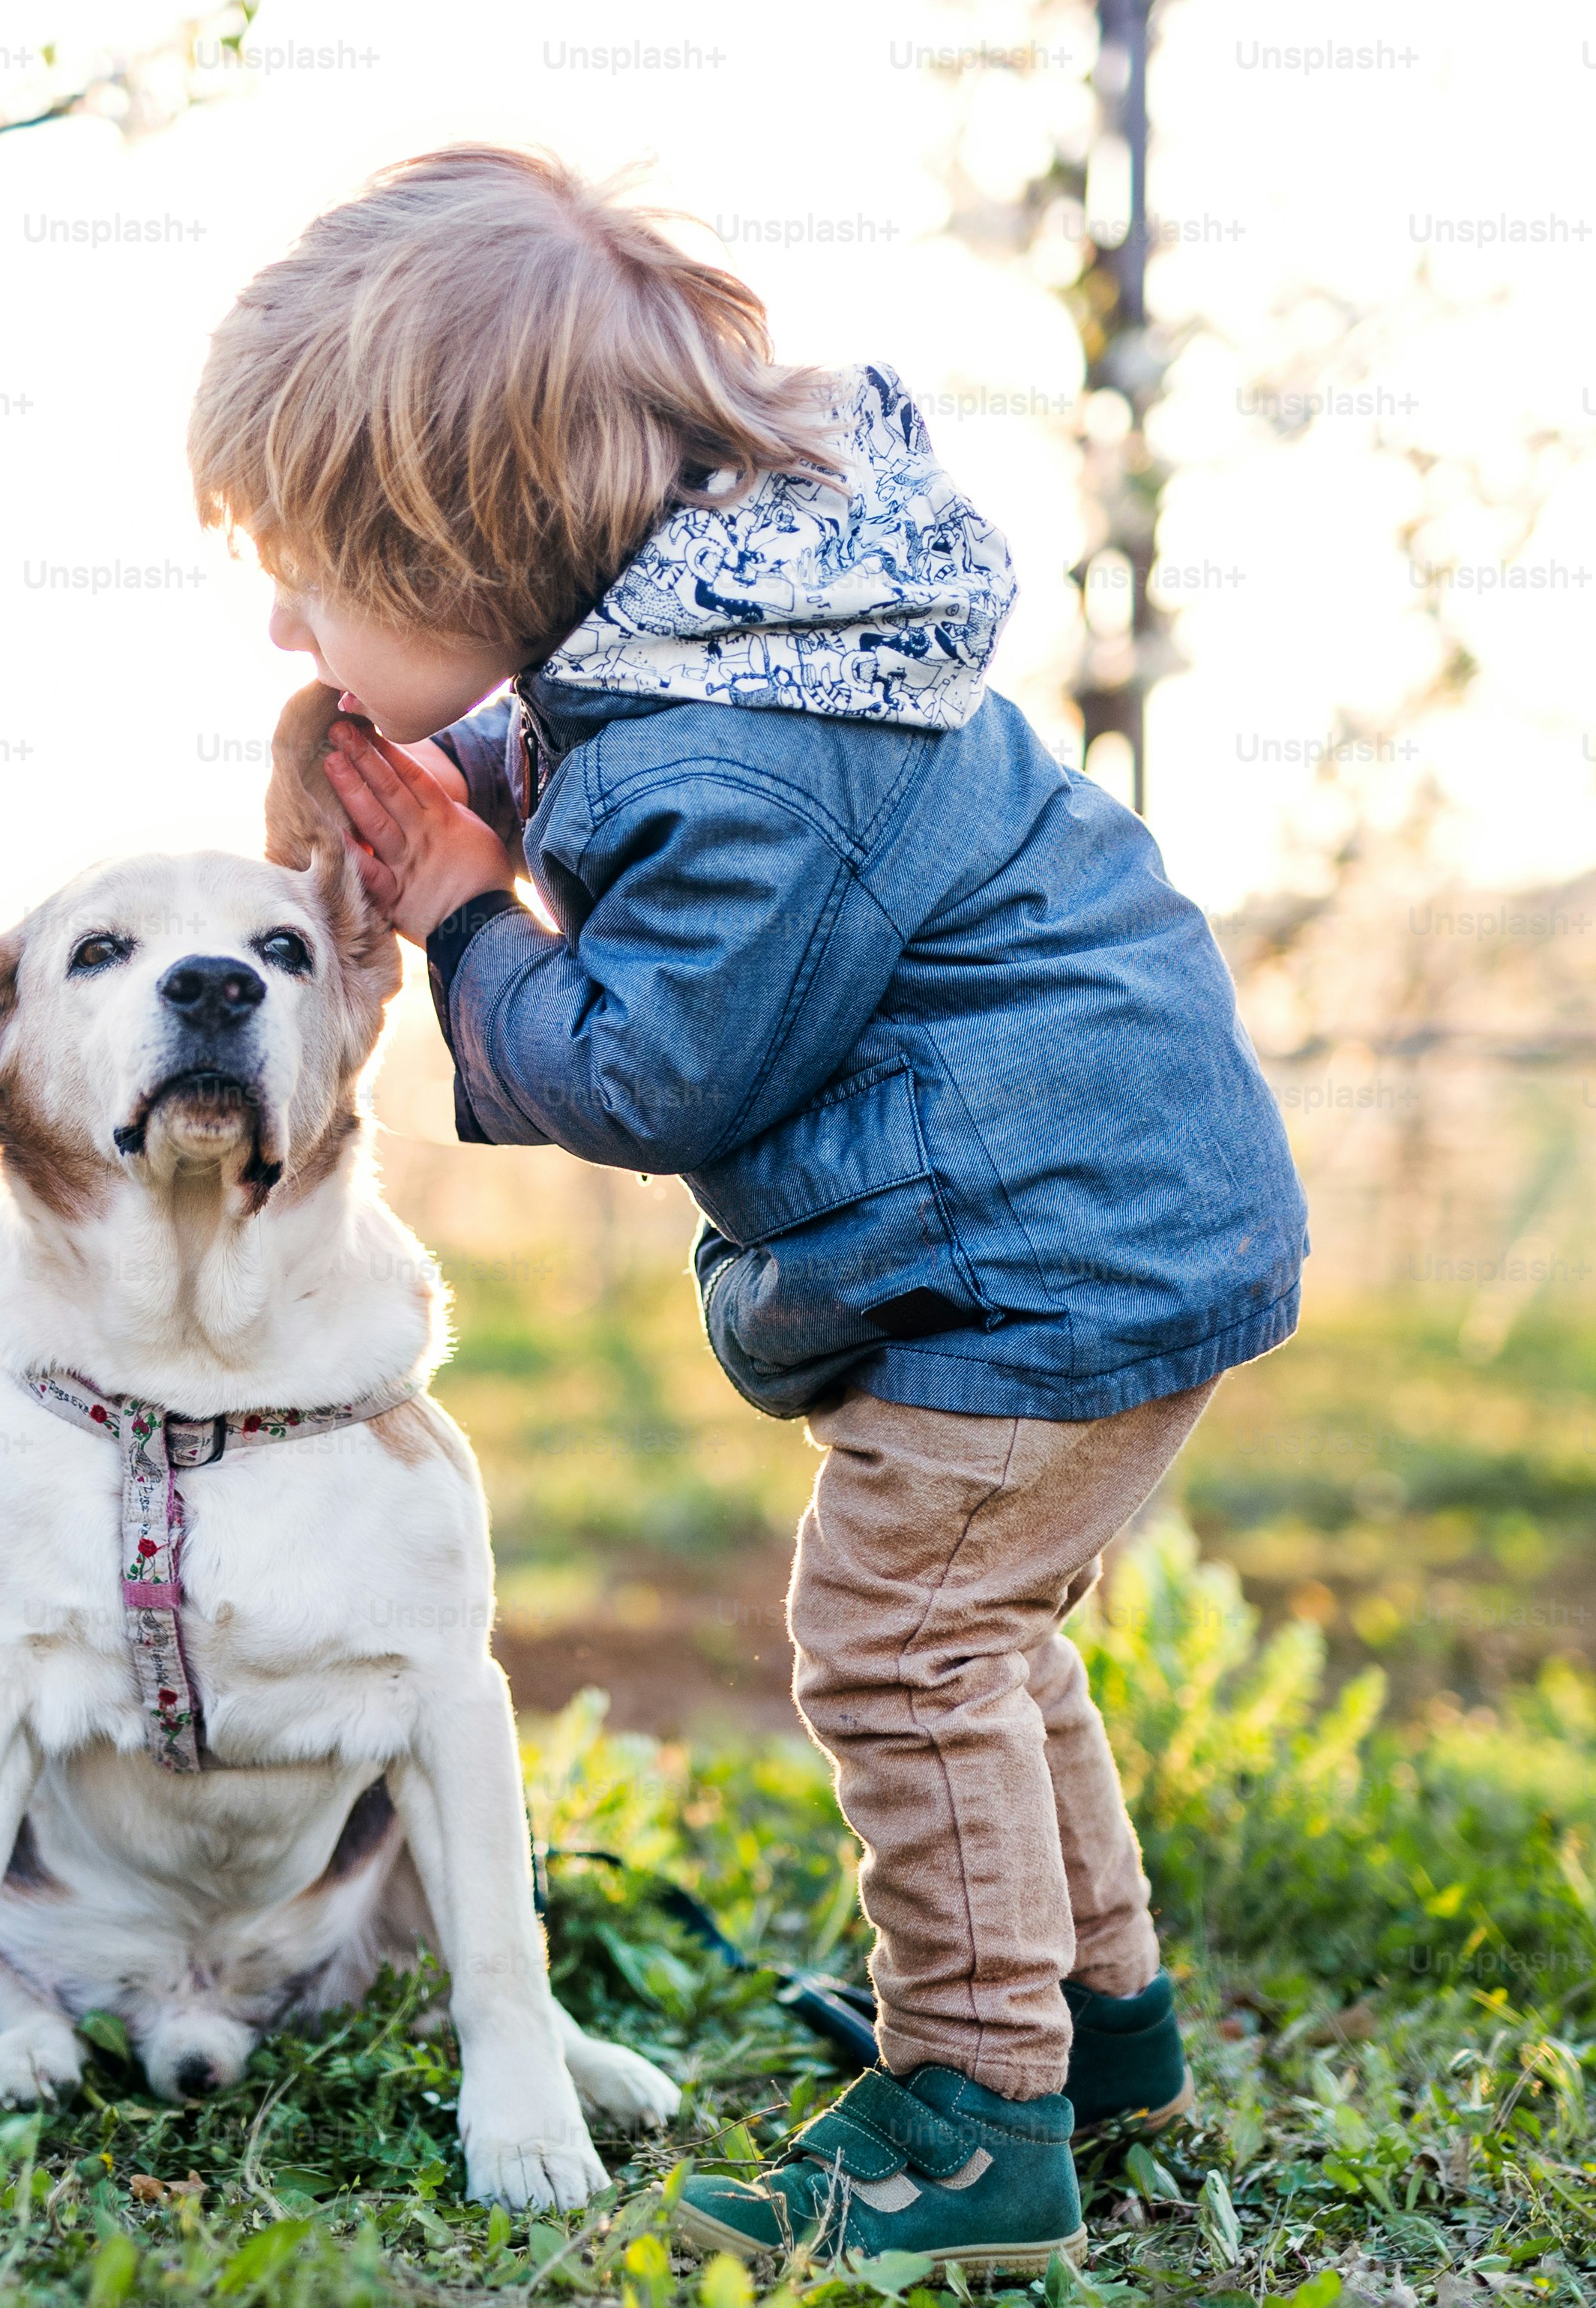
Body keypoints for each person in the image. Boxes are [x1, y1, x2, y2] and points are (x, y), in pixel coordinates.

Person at [190, 145, 1307, 2273]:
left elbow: (656, 1063)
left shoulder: (741, 755)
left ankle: (979, 2121)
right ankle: (1095, 2022)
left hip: (1041, 1257)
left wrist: (453, 913)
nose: (280, 627)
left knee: (899, 1648)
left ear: (458, 549)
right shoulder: (739, 655)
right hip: (1105, 1208)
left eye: (309, 579)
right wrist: (497, 794)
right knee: (993, 1635)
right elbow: (629, 770)